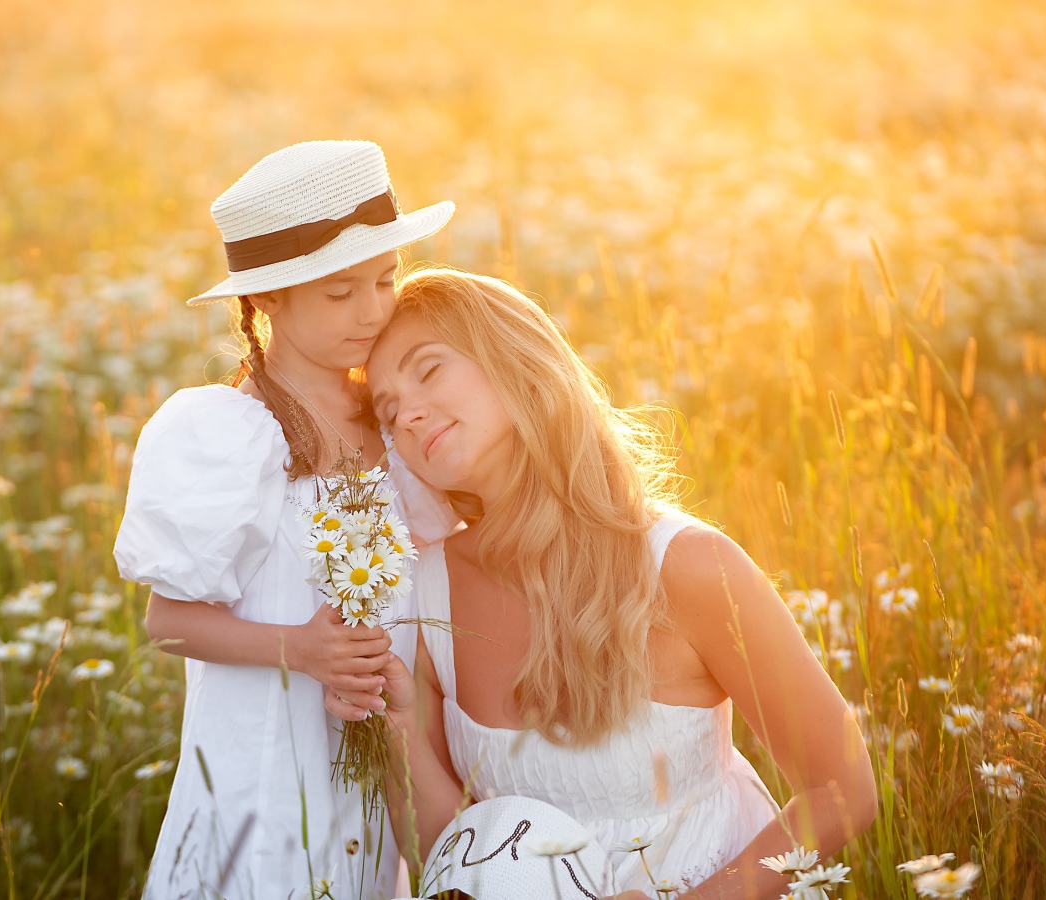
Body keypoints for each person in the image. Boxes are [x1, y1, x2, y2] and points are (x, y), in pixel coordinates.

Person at [334, 268, 877, 898]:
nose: (408, 415)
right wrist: (397, 728)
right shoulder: (427, 594)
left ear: (515, 359)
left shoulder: (691, 567)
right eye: (389, 409)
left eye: (427, 370)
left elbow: (842, 789)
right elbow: (456, 857)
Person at [114, 141, 454, 900]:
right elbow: (167, 622)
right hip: (261, 782)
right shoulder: (230, 433)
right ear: (267, 298)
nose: (372, 311)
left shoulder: (396, 419)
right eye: (340, 293)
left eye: (385, 280)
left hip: (373, 791)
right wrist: (302, 648)